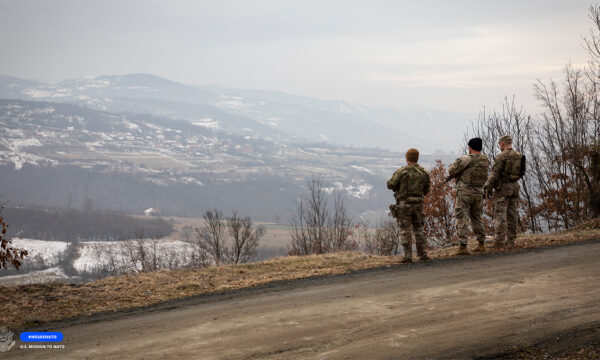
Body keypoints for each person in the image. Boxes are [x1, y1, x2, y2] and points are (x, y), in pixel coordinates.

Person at [387, 148, 431, 263]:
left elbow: (391, 184)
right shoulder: (424, 173)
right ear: (417, 158)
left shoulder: (401, 172)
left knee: (405, 229)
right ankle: (422, 254)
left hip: (404, 204)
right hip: (418, 204)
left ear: (407, 158)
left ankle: (408, 256)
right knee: (419, 228)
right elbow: (427, 189)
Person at [448, 137, 490, 255]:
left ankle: (463, 247)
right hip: (478, 193)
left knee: (462, 218)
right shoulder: (485, 159)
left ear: (470, 147)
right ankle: (481, 243)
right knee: (477, 217)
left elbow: (452, 171)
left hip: (465, 193)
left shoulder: (466, 159)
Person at [484, 135, 524, 249]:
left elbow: (494, 173)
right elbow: (522, 172)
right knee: (512, 214)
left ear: (502, 144)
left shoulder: (501, 156)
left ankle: (499, 242)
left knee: (500, 215)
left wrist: (488, 187)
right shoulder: (519, 155)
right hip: (515, 186)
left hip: (503, 188)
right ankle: (511, 240)